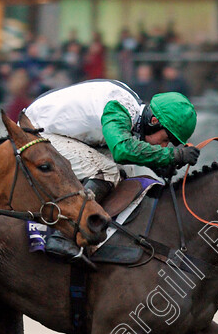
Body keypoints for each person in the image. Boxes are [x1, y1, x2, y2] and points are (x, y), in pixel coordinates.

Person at [22, 79, 199, 262]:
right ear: (154, 121)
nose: (164, 145)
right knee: (107, 171)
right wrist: (172, 155)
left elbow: (127, 150)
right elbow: (122, 150)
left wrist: (159, 163)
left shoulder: (131, 112)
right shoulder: (119, 106)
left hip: (57, 133)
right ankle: (64, 235)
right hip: (35, 133)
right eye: (166, 139)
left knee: (127, 172)